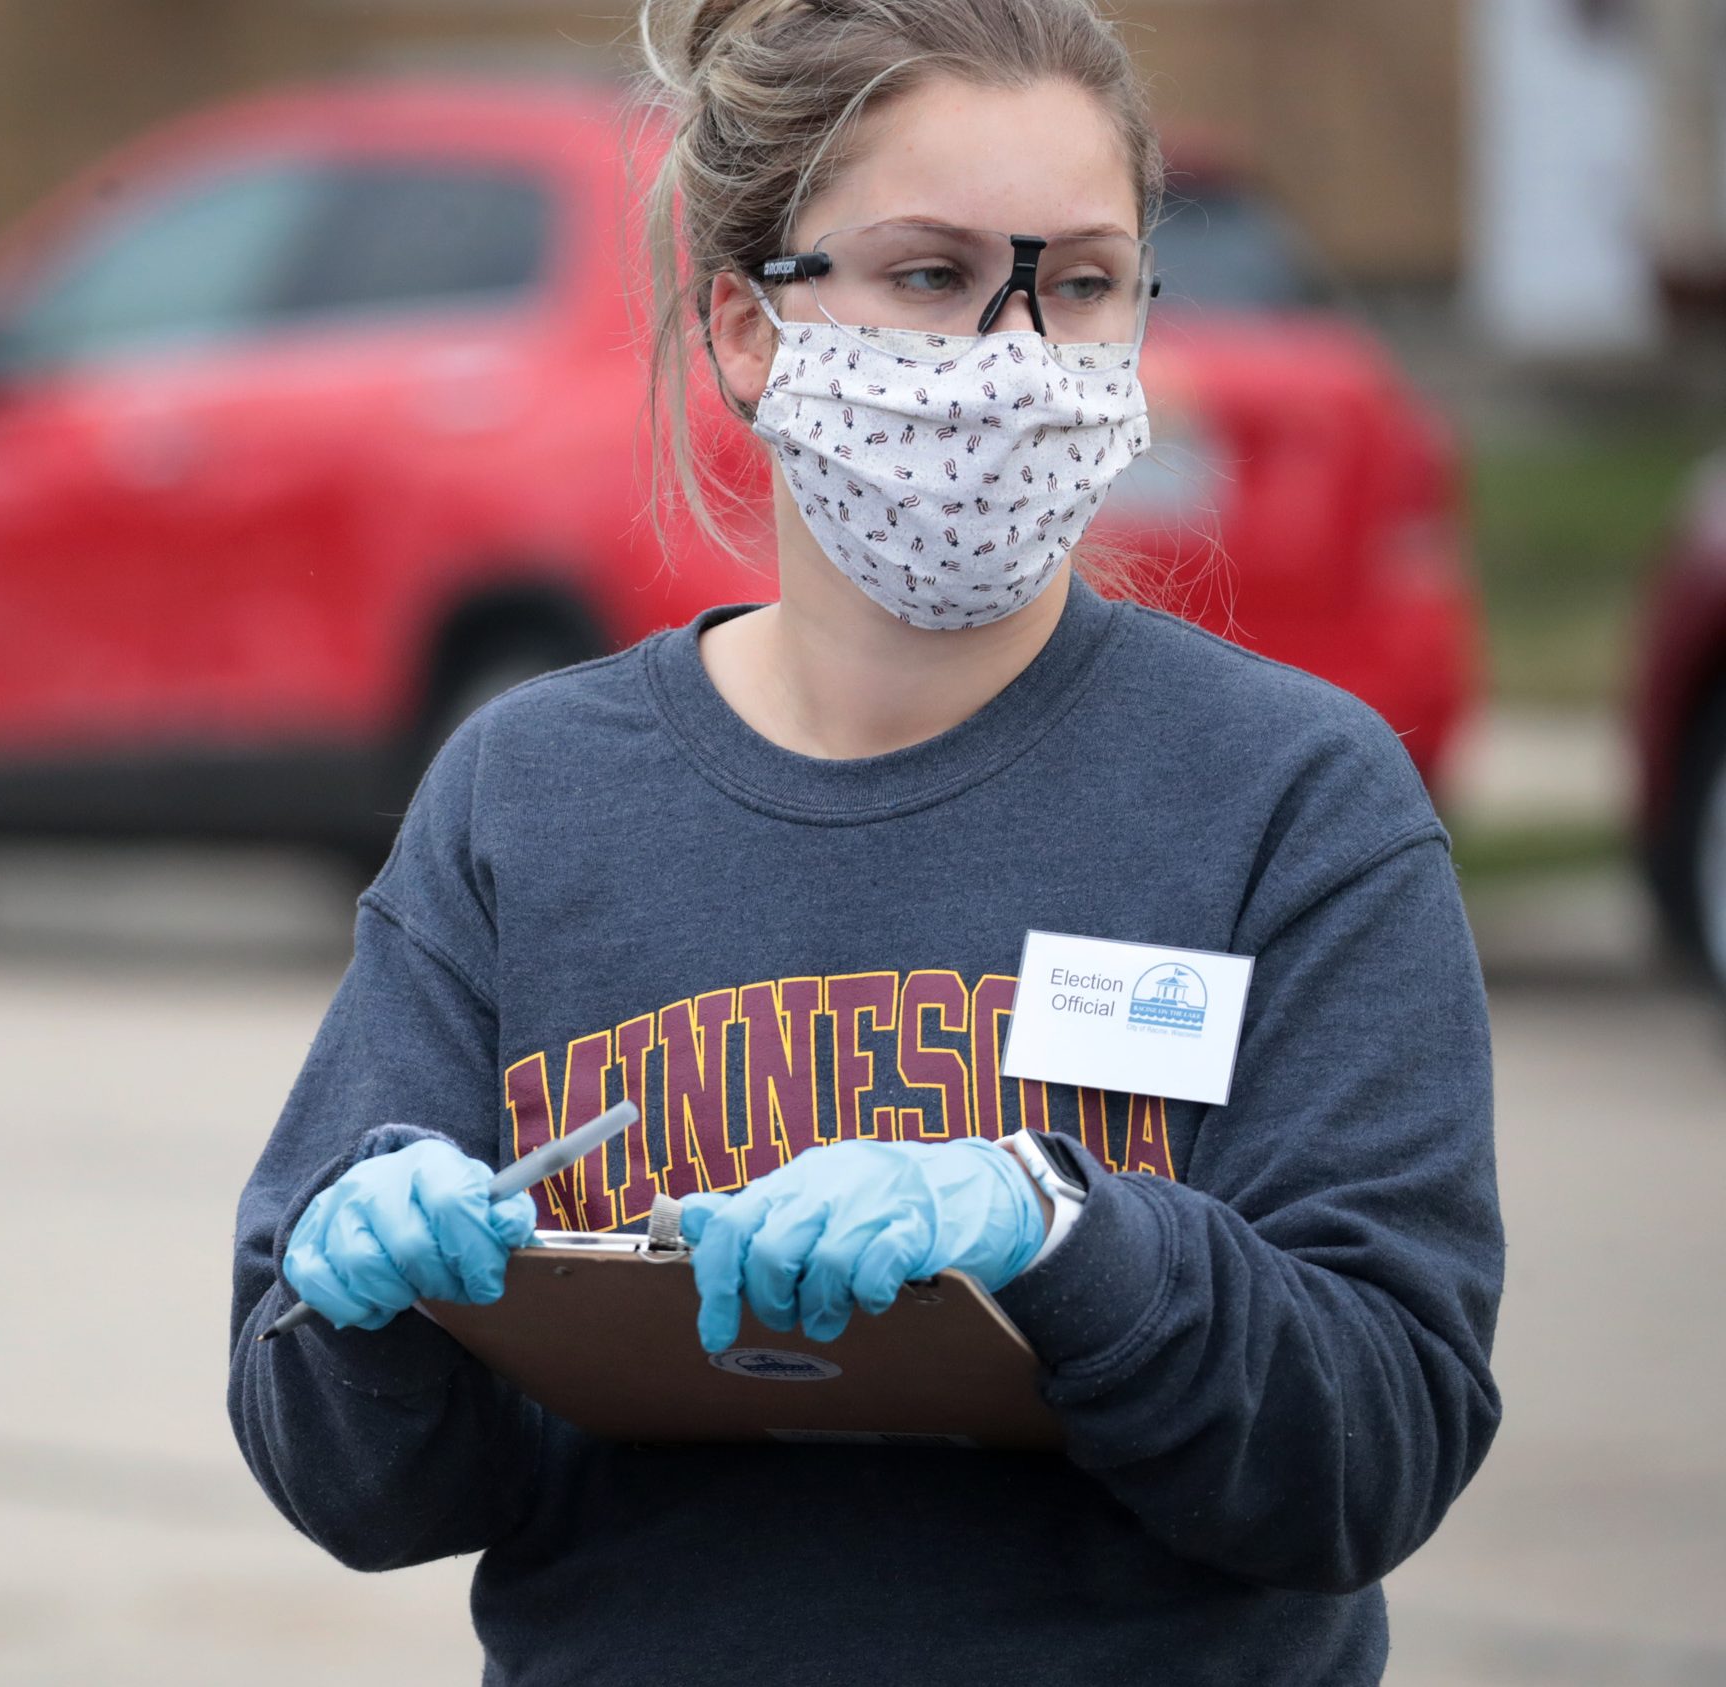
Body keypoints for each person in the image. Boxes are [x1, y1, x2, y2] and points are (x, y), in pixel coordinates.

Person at [223, 1, 1504, 1681]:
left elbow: (1376, 1452)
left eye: (1088, 282)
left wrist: (1062, 1235)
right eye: (929, 274)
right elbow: (358, 1481)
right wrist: (377, 1309)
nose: (1018, 354)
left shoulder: (1293, 800)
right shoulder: (527, 801)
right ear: (746, 331)